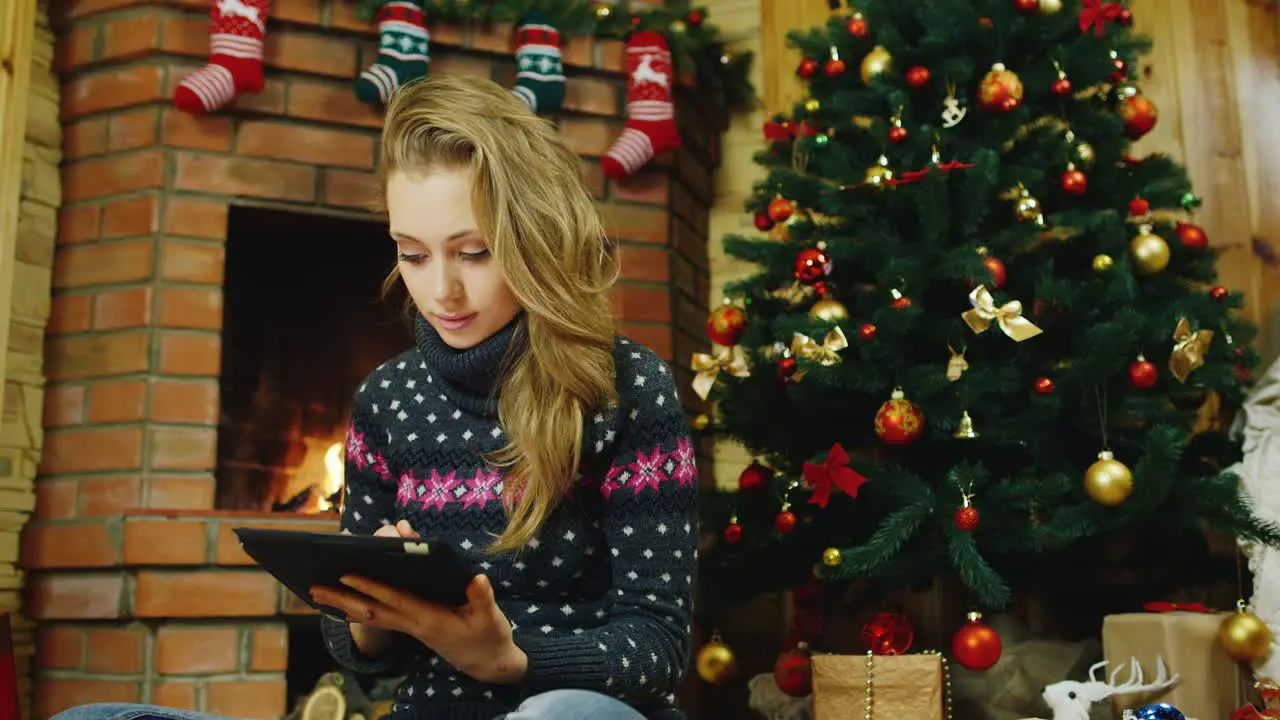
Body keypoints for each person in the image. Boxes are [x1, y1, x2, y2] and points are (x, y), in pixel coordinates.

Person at [51, 75, 699, 720]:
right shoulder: (386, 398)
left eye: (473, 252)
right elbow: (352, 646)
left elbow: (659, 643)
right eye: (412, 255)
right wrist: (371, 613)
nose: (441, 289)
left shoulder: (627, 386)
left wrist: (510, 659)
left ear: (533, 238)